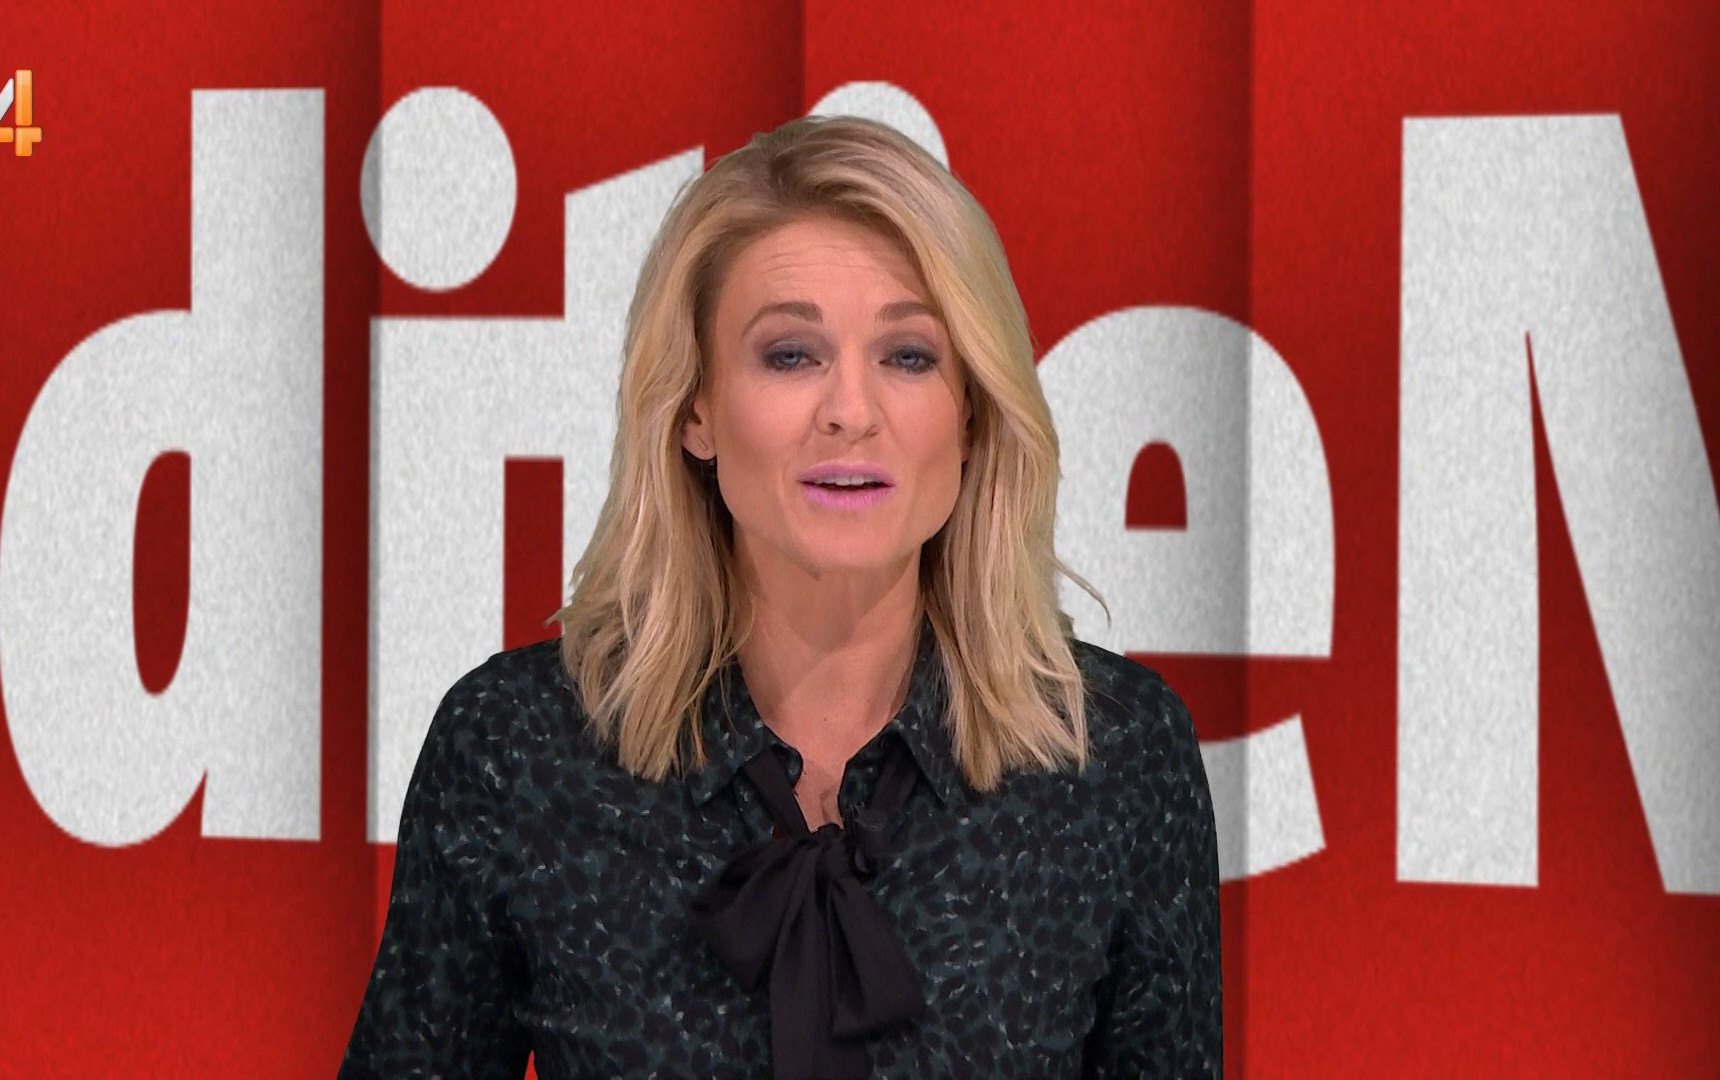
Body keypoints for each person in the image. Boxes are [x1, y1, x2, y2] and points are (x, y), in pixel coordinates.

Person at [339, 114, 1221, 1079]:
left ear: (972, 411)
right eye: (791, 355)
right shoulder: (517, 748)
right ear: (697, 407)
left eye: (909, 356)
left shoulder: (1116, 758)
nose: (851, 410)